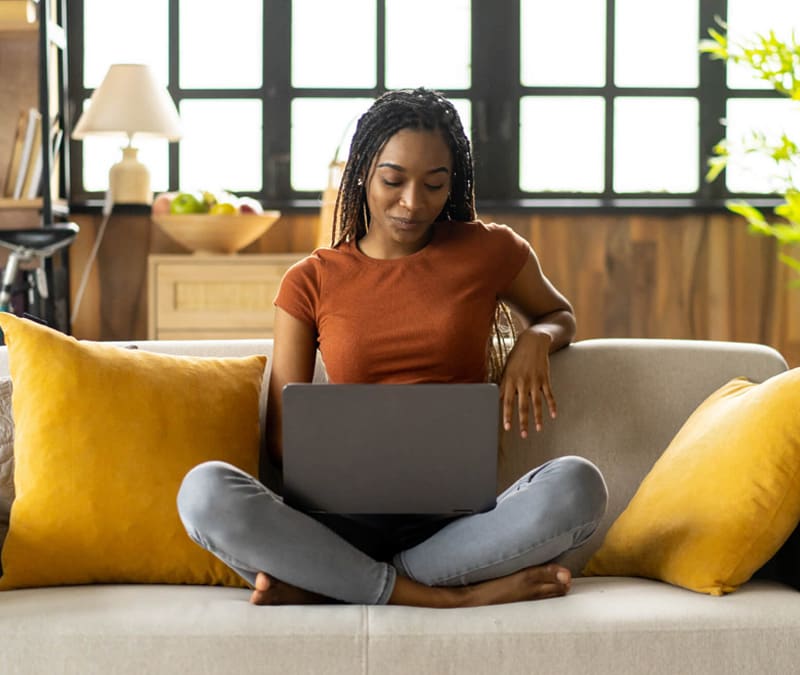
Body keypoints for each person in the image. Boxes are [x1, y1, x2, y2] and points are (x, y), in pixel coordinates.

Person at [177, 88, 607, 608]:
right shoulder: (310, 280)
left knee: (579, 486)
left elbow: (559, 314)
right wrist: (356, 445)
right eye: (393, 180)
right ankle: (444, 596)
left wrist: (535, 339)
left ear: (453, 183)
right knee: (203, 491)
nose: (412, 203)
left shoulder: (491, 250)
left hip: (453, 531)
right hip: (334, 528)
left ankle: (343, 585)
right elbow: (281, 442)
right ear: (362, 171)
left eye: (434, 185)